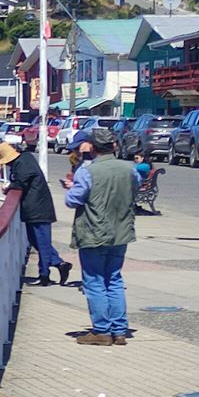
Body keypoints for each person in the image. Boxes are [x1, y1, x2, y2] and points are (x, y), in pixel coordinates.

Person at [65, 127, 141, 346]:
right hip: (121, 231)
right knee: (114, 279)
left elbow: (73, 201)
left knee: (95, 281)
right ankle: (119, 331)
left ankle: (102, 331)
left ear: (92, 147)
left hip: (93, 231)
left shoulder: (87, 171)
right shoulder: (130, 169)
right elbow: (133, 190)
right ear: (114, 146)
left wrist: (71, 189)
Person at [0, 142, 71, 286]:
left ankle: (44, 276)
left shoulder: (23, 164)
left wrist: (9, 187)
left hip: (37, 208)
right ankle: (59, 264)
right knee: (37, 240)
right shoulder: (25, 158)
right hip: (36, 207)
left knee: (41, 241)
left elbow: (21, 183)